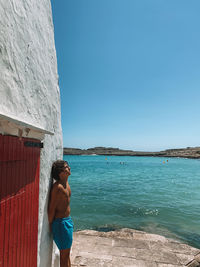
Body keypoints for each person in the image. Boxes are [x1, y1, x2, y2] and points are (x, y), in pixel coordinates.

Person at [48, 160, 73, 267]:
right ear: (60, 172)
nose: (69, 168)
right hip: (60, 224)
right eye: (67, 167)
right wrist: (51, 226)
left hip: (68, 221)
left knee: (66, 254)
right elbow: (51, 208)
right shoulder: (57, 188)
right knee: (64, 257)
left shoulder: (66, 183)